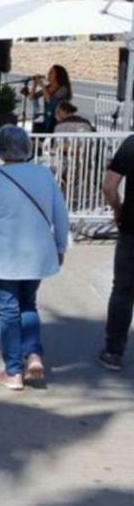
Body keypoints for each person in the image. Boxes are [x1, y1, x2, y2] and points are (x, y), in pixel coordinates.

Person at [0, 126, 69, 390]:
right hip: (37, 255)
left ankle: (13, 371)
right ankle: (33, 354)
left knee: (8, 310)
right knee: (29, 303)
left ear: (0, 148)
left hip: (4, 257)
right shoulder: (43, 175)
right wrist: (61, 246)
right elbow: (60, 214)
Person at [100, 133, 134, 371]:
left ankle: (113, 352)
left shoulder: (132, 143)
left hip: (132, 228)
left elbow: (109, 186)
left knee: (123, 289)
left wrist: (118, 209)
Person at [32, 64, 73, 133]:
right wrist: (35, 84)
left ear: (58, 75)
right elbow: (32, 97)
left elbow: (50, 101)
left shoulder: (63, 89)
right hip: (47, 118)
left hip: (57, 119)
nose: (49, 74)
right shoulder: (48, 87)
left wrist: (42, 85)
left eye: (51, 72)